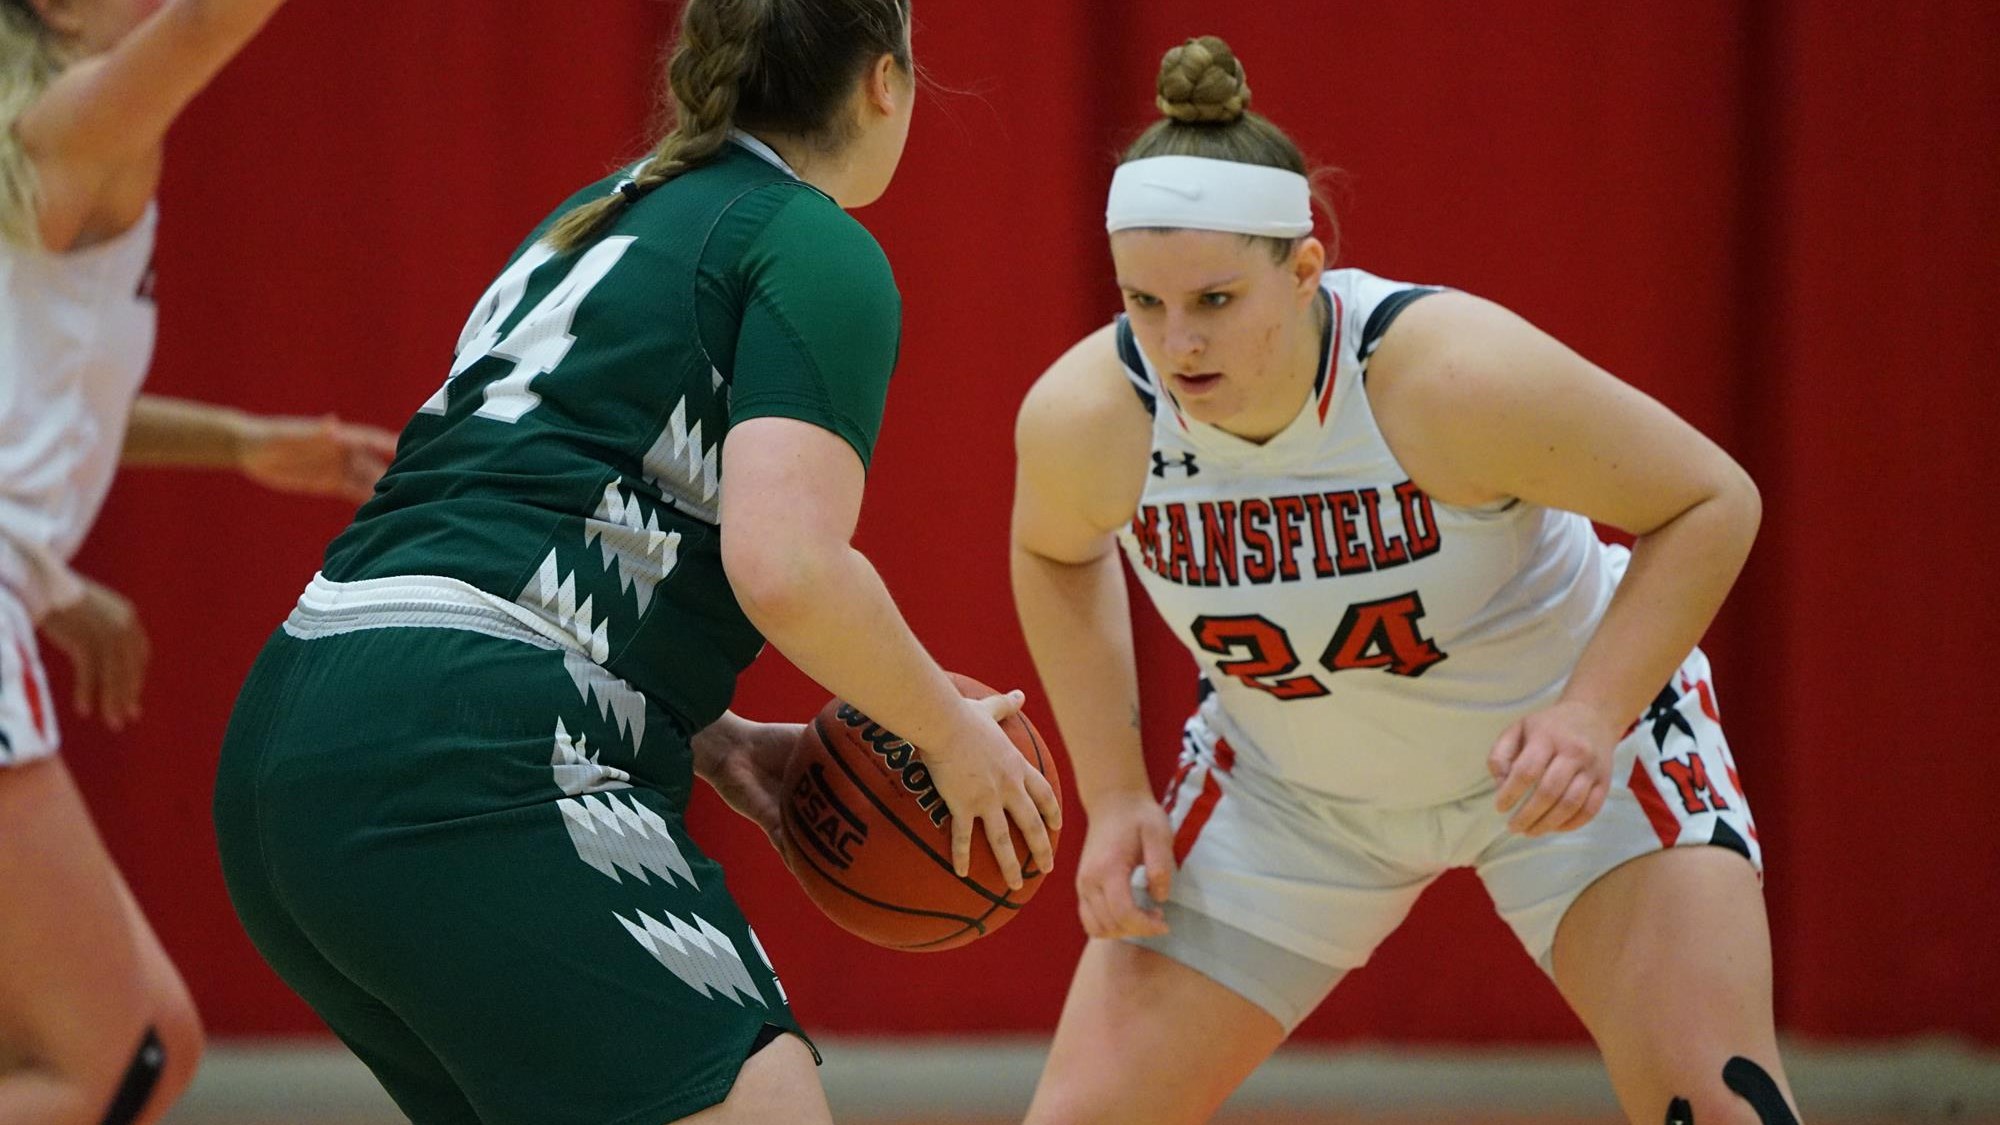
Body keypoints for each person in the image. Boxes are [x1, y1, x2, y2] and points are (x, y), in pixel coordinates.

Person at [211, 2, 1060, 1123]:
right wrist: (949, 740)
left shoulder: (593, 217)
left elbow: (513, 515)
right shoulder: (809, 239)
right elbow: (788, 568)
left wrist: (712, 739)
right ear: (884, 81)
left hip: (295, 740)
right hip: (474, 752)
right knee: (760, 1104)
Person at [1011, 36, 1798, 1125]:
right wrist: (1112, 796)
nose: (1175, 343)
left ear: (1303, 269)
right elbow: (1053, 550)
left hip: (1571, 768)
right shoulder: (1093, 414)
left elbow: (1711, 500)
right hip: (1291, 800)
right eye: (1142, 303)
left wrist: (1589, 711)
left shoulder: (1442, 375)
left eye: (1214, 299)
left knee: (1716, 1108)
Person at [0, 2, 399, 1123]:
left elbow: (43, 410)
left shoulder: (48, 148)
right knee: (99, 1063)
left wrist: (236, 443)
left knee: (156, 1043)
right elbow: (217, 21)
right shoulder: (72, 129)